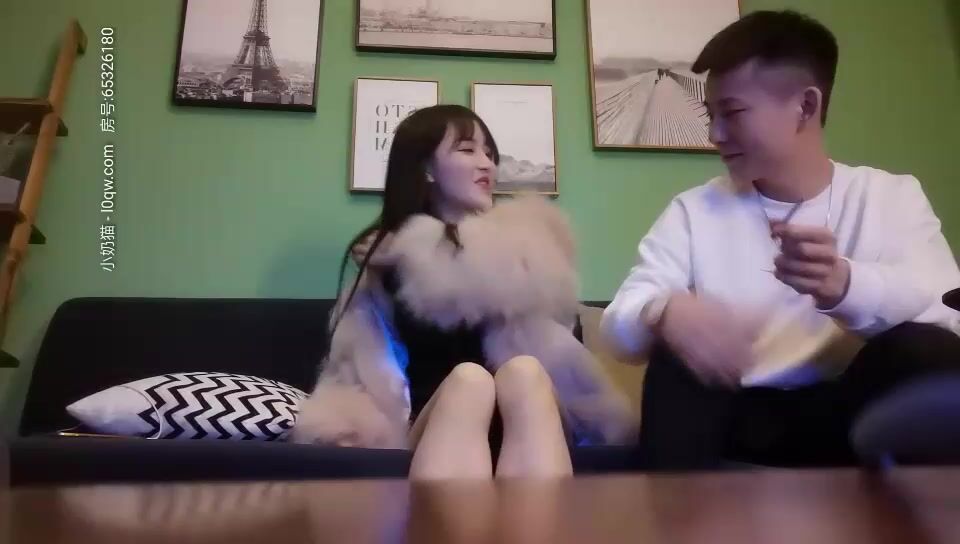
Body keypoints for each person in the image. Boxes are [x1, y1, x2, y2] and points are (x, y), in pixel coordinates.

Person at [601, 10, 960, 470]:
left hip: (851, 415)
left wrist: (844, 285)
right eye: (711, 115)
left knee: (927, 350)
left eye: (732, 113)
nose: (714, 134)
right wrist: (663, 311)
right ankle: (677, 509)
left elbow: (946, 316)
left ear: (805, 106)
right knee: (674, 349)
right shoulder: (693, 210)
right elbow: (619, 327)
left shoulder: (890, 196)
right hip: (733, 417)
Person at [292, 104, 635, 480]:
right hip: (438, 428)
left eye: (489, 153)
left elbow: (520, 297)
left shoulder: (528, 253)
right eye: (468, 149)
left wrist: (417, 251)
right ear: (427, 168)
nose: (486, 164)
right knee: (470, 381)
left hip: (534, 421)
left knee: (523, 373)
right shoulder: (385, 264)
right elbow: (355, 367)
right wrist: (344, 430)